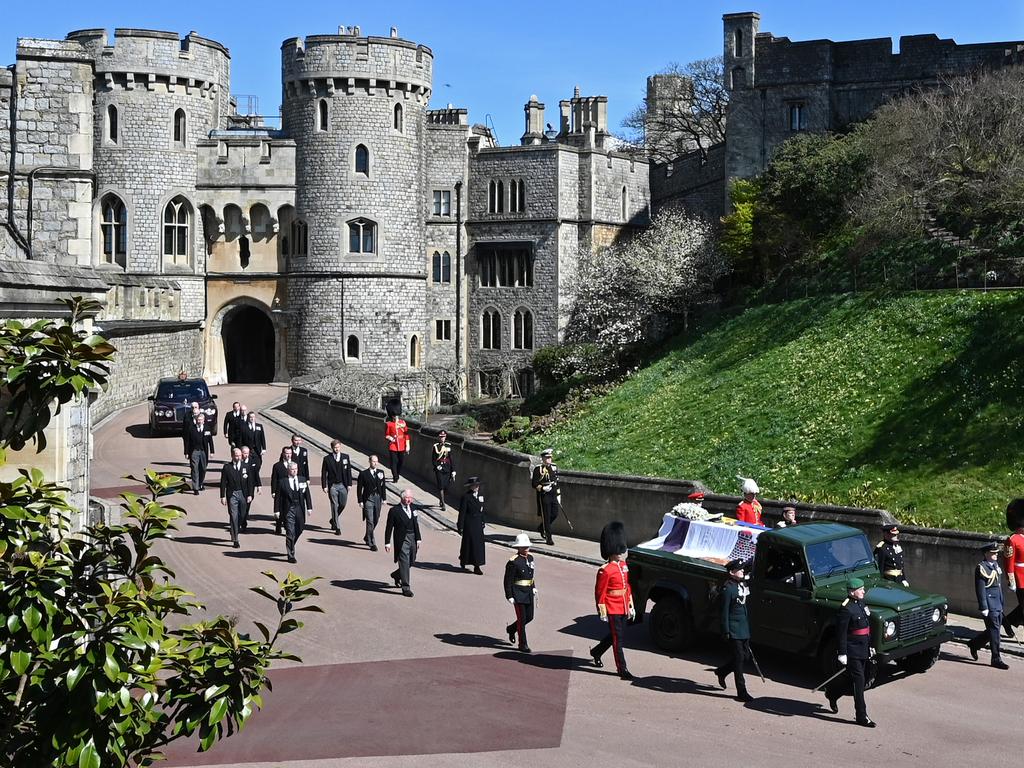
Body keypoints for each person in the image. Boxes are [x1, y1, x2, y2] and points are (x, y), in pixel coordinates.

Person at [824, 577, 876, 727]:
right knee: (859, 681)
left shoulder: (860, 603)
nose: (863, 591)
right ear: (852, 592)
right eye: (860, 589)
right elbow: (841, 633)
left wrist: (870, 645)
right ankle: (861, 715)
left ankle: (832, 692)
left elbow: (866, 626)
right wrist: (842, 653)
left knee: (856, 679)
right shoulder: (845, 608)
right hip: (852, 650)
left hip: (863, 647)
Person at [590, 521, 635, 681]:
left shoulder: (623, 566)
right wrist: (601, 610)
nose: (621, 552)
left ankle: (596, 651)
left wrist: (630, 605)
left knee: (616, 635)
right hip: (612, 607)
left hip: (622, 606)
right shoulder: (605, 570)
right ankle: (622, 669)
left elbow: (627, 586)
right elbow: (600, 592)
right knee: (618, 639)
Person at [714, 558, 754, 703]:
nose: (743, 571)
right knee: (739, 660)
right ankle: (741, 692)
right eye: (740, 569)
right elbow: (723, 612)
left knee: (745, 657)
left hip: (743, 628)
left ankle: (722, 671)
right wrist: (725, 631)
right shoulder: (728, 589)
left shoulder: (742, 584)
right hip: (734, 629)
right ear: (732, 572)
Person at [968, 541, 1010, 669]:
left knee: (993, 630)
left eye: (996, 553)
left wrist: (1001, 602)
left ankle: (974, 643)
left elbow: (998, 586)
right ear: (986, 554)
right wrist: (983, 606)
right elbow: (980, 589)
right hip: (990, 605)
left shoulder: (995, 565)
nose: (996, 555)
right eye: (993, 553)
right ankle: (996, 658)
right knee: (995, 631)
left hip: (997, 603)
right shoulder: (981, 568)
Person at [384, 489, 421, 597]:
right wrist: (387, 542)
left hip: (413, 537)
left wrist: (418, 538)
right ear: (402, 498)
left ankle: (396, 574)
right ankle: (406, 587)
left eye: (411, 498)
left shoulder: (414, 508)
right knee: (404, 561)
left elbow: (416, 524)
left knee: (412, 560)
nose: (409, 500)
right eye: (407, 498)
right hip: (402, 538)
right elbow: (389, 527)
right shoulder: (394, 511)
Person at [504, 533, 536, 653]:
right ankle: (522, 644)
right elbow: (508, 580)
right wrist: (509, 595)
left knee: (530, 617)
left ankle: (512, 629)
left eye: (527, 545)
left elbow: (530, 575)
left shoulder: (531, 558)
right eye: (524, 546)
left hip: (528, 592)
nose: (526, 548)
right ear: (518, 547)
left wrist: (533, 586)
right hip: (518, 593)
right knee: (522, 619)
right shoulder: (513, 562)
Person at [219, 447, 254, 548]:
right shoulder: (227, 467)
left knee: (242, 516)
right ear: (232, 456)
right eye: (236, 455)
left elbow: (250, 482)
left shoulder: (246, 466)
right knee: (233, 515)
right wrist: (222, 496)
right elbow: (223, 483)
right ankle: (235, 539)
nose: (238, 457)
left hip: (243, 494)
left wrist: (250, 494)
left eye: (240, 455)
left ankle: (235, 529)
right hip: (232, 494)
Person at [277, 461, 312, 563]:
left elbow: (307, 495)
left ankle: (291, 543)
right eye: (292, 469)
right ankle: (291, 554)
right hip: (288, 509)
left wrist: (309, 507)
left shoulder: (302, 480)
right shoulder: (282, 481)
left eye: (296, 469)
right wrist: (277, 510)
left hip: (299, 508)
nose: (295, 471)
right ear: (288, 470)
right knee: (290, 531)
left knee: (300, 528)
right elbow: (278, 498)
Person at [1002, 499, 1024, 637]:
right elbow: (1008, 562)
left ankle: (1006, 622)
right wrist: (1011, 580)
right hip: (1020, 579)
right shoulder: (1012, 540)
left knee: (1022, 609)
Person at [321, 439, 352, 536]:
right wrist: (324, 486)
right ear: (332, 448)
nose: (336, 449)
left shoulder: (345, 457)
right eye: (335, 447)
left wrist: (349, 484)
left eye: (338, 447)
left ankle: (333, 519)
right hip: (332, 486)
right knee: (334, 505)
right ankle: (337, 527)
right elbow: (323, 473)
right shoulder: (327, 459)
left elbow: (349, 472)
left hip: (343, 485)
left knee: (342, 504)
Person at [357, 454, 388, 551]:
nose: (375, 463)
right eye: (373, 461)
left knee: (376, 519)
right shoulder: (363, 474)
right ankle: (372, 542)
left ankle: (367, 535)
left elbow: (383, 486)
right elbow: (359, 489)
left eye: (376, 461)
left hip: (378, 498)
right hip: (368, 499)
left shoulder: (381, 472)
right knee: (370, 521)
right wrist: (360, 501)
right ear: (369, 462)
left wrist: (384, 498)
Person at [457, 476, 486, 574]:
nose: (477, 487)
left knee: (478, 545)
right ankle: (464, 560)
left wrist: (483, 520)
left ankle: (477, 566)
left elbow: (482, 510)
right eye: (474, 485)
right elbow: (462, 512)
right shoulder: (466, 497)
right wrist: (460, 526)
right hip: (469, 523)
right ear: (470, 487)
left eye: (477, 485)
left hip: (478, 523)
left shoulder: (481, 496)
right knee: (469, 544)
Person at [531, 449, 559, 545]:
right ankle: (549, 537)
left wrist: (558, 495)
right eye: (547, 458)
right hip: (544, 495)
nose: (549, 459)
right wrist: (543, 488)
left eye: (550, 457)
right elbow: (534, 484)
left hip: (553, 494)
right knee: (546, 516)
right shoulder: (538, 469)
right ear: (543, 458)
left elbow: (556, 482)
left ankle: (541, 527)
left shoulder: (554, 467)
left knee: (555, 513)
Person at [182, 412, 214, 495]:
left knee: (203, 468)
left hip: (204, 451)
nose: (199, 421)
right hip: (194, 451)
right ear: (196, 421)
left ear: (204, 421)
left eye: (201, 420)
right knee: (195, 469)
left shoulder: (207, 428)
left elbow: (210, 441)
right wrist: (186, 452)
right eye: (198, 420)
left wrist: (212, 451)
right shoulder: (191, 429)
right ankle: (195, 488)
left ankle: (200, 483)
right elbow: (187, 441)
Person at [269, 446, 294, 536]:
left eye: (290, 453)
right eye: (286, 453)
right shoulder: (277, 466)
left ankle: (288, 527)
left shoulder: (294, 465)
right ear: (283, 454)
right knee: (280, 508)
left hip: (291, 491)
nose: (288, 455)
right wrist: (273, 491)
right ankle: (278, 525)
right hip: (280, 491)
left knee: (289, 509)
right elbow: (274, 479)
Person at [239, 445, 262, 530]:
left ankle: (244, 520)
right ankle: (239, 519)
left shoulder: (253, 462)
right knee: (240, 505)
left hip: (250, 487)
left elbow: (256, 474)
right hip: (240, 487)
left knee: (247, 505)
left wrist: (259, 486)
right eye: (244, 453)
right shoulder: (237, 462)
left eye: (247, 453)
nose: (246, 455)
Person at [432, 430, 456, 508]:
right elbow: (433, 459)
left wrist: (453, 470)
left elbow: (451, 459)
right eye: (441, 437)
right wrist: (436, 466)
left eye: (444, 437)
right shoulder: (436, 446)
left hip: (447, 467)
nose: (442, 438)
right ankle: (443, 503)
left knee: (446, 486)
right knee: (441, 485)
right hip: (439, 468)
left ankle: (441, 499)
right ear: (438, 437)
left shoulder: (448, 445)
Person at [384, 413, 411, 483]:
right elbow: (387, 435)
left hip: (401, 445)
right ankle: (395, 477)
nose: (395, 417)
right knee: (393, 462)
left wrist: (407, 445)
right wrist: (391, 438)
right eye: (394, 415)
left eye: (396, 415)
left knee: (401, 461)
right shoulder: (389, 424)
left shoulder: (403, 423)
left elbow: (406, 435)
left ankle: (397, 473)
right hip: (393, 446)